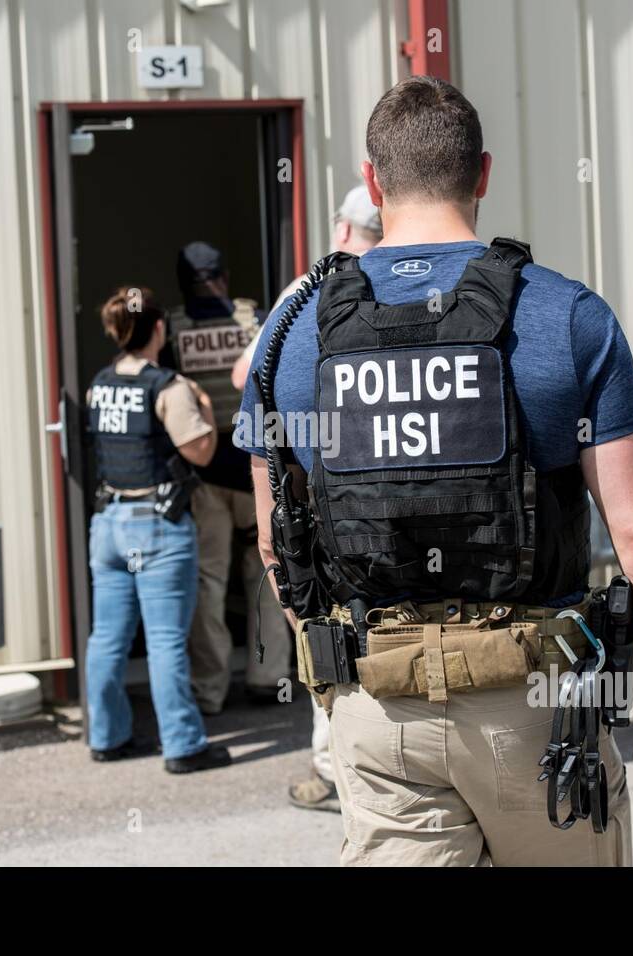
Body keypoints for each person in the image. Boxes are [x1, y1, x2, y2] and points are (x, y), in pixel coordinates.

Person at [241, 77, 633, 865]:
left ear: (372, 180)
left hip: (377, 710)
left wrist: (333, 685)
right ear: (483, 174)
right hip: (539, 711)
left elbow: (273, 543)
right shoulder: (565, 316)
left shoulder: (293, 339)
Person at [231, 185, 382, 815]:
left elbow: (248, 378)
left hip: (321, 503)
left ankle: (335, 770)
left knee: (328, 640)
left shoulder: (306, 292)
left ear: (341, 228)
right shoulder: (420, 283)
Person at [84, 286, 232, 774]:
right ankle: (184, 746)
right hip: (157, 528)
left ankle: (107, 737)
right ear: (159, 330)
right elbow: (201, 453)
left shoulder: (100, 383)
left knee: (108, 637)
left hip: (108, 525)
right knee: (167, 640)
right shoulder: (169, 388)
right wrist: (205, 406)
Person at [167, 243, 292, 714]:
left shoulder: (174, 327)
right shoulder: (254, 318)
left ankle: (209, 689)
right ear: (223, 273)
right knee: (263, 572)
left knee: (208, 582)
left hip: (204, 473)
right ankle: (269, 676)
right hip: (254, 467)